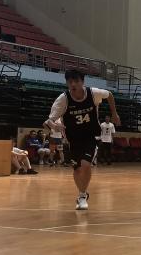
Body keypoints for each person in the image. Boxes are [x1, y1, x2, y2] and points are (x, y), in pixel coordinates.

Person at [45, 68, 120, 210]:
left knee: (85, 164)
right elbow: (49, 121)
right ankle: (82, 193)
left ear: (82, 82)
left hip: (91, 135)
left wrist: (114, 114)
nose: (73, 84)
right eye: (70, 82)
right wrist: (54, 126)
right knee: (77, 169)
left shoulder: (93, 93)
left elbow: (109, 94)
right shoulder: (63, 99)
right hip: (73, 139)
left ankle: (82, 196)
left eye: (76, 81)